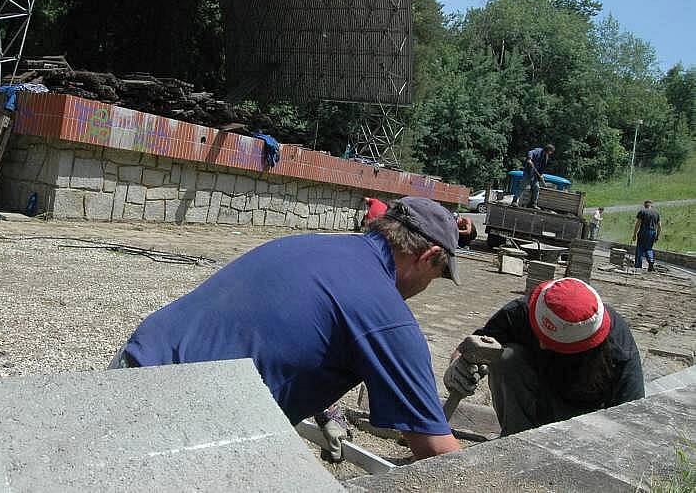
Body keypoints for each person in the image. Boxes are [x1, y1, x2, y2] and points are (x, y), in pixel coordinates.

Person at [110, 197, 463, 460]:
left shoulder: (306, 244)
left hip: (128, 368)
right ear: (428, 256)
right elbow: (438, 454)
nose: (426, 288)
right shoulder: (387, 315)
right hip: (176, 421)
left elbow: (279, 337)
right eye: (436, 276)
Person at [443, 278, 643, 436]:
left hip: (585, 423)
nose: (542, 344)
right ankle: (515, 439)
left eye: (554, 343)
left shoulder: (617, 346)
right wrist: (457, 364)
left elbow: (631, 417)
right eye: (539, 333)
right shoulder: (530, 309)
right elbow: (476, 342)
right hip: (536, 400)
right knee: (506, 357)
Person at [510, 144, 555, 209]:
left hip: (535, 175)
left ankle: (533, 204)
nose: (550, 153)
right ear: (548, 150)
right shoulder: (538, 151)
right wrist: (529, 159)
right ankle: (514, 201)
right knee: (522, 187)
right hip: (528, 173)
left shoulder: (546, 157)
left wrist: (541, 175)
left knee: (536, 188)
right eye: (551, 152)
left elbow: (542, 168)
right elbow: (530, 152)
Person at [632, 200, 661, 271]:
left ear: (645, 206)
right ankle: (651, 261)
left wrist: (634, 234)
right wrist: (657, 235)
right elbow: (660, 226)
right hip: (652, 232)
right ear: (651, 205)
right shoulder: (657, 213)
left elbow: (638, 224)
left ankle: (638, 266)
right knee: (649, 248)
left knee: (640, 248)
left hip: (643, 231)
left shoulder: (642, 212)